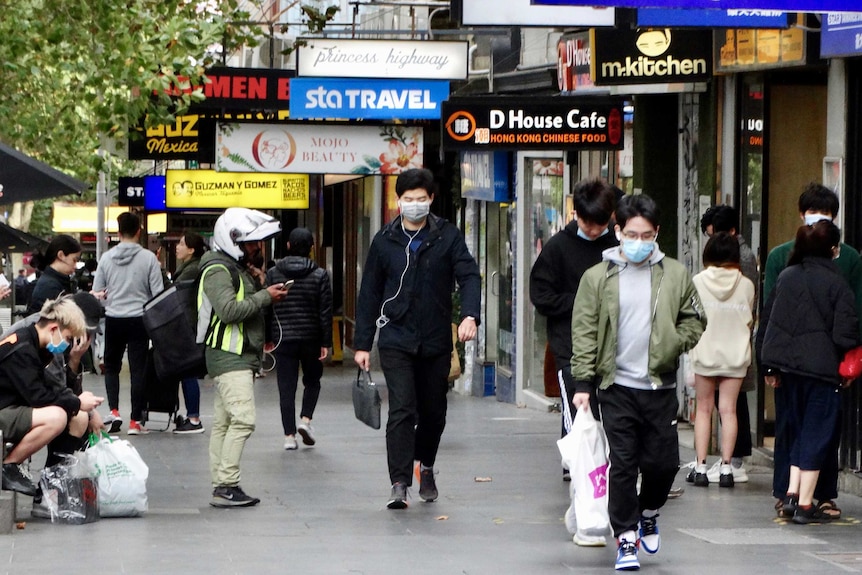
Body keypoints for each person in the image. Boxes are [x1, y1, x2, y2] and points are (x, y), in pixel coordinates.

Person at [570, 194, 706, 571]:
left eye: (646, 235)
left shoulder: (675, 275)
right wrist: (583, 383)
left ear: (657, 233)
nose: (639, 241)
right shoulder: (597, 278)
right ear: (617, 232)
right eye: (631, 233)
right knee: (624, 463)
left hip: (659, 387)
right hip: (615, 387)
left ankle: (648, 511)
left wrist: (675, 342)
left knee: (663, 464)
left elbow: (695, 319)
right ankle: (626, 537)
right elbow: (583, 331)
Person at [354, 168, 480, 510]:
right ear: (398, 201)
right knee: (402, 408)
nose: (414, 205)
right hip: (396, 338)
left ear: (431, 200)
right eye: (408, 200)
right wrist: (363, 344)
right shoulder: (384, 240)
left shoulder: (447, 237)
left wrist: (470, 315)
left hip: (436, 340)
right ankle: (399, 482)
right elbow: (369, 294)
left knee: (433, 412)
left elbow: (468, 275)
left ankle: (425, 464)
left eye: (420, 199)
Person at [762, 183, 862, 521]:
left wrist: (771, 365)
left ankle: (795, 494)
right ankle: (803, 500)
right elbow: (848, 324)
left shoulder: (788, 269)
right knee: (815, 430)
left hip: (791, 365)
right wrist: (848, 362)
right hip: (823, 367)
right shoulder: (831, 272)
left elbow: (771, 319)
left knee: (799, 429)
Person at [529, 178, 618, 487]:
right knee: (577, 404)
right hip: (569, 344)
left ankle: (594, 458)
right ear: (576, 214)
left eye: (601, 224)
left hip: (611, 345)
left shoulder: (617, 247)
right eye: (588, 223)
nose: (594, 230)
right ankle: (579, 461)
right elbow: (540, 296)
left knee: (606, 403)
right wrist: (581, 303)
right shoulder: (557, 248)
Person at [200, 208, 288, 508]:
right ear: (233, 241)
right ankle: (227, 483)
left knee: (225, 422)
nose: (256, 249)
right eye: (251, 243)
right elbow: (228, 311)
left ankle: (221, 484)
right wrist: (265, 296)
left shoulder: (232, 269)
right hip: (228, 356)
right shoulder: (217, 271)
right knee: (244, 420)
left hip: (236, 356)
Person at [0, 296, 104, 497]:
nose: (66, 344)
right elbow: (39, 396)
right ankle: (9, 466)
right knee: (56, 417)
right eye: (67, 338)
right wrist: (78, 402)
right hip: (4, 410)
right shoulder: (23, 348)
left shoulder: (34, 343)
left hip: (8, 406)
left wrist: (79, 403)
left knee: (74, 416)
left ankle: (50, 487)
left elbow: (51, 387)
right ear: (54, 329)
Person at [686, 205, 758, 485]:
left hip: (706, 352)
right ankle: (727, 466)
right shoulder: (746, 285)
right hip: (736, 356)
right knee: (729, 410)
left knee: (704, 409)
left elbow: (692, 318)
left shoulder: (697, 282)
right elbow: (749, 319)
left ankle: (702, 466)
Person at [92, 212, 164, 435]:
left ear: (118, 232)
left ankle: (114, 412)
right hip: (139, 320)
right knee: (138, 371)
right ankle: (135, 422)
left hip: (113, 319)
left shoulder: (105, 258)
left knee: (112, 367)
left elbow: (97, 292)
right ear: (139, 231)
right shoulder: (149, 259)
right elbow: (158, 294)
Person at [265, 228, 333, 451]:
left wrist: (268, 337)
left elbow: (266, 307)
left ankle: (289, 436)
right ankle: (305, 420)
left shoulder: (274, 273)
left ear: (287, 246)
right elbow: (325, 311)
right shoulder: (320, 274)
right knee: (312, 381)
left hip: (283, 337)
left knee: (286, 387)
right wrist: (326, 342)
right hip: (311, 337)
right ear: (312, 248)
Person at [172, 232, 208, 434]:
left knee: (188, 372)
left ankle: (194, 418)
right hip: (189, 324)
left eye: (181, 243)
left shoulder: (192, 270)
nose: (177, 246)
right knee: (187, 372)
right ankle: (190, 415)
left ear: (192, 249)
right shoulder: (189, 267)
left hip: (189, 325)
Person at [26, 234, 82, 315]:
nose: (75, 265)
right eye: (74, 260)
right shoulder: (49, 286)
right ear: (61, 255)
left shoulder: (54, 281)